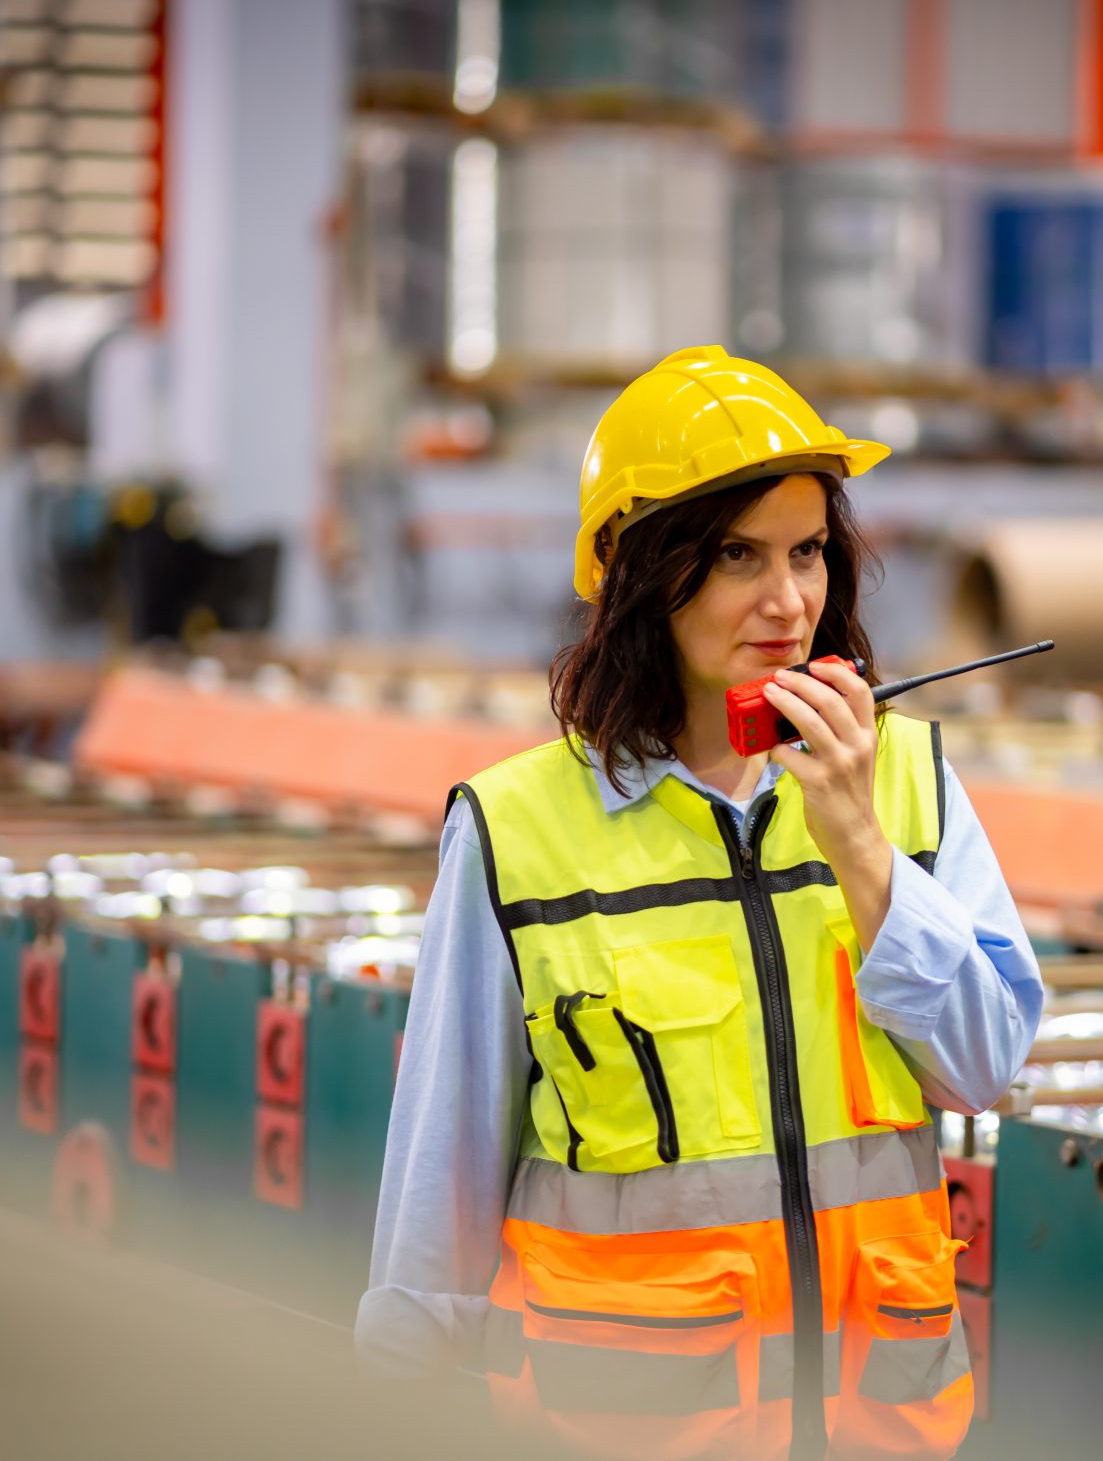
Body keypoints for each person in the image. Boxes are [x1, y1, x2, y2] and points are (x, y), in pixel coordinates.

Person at [355, 346, 1043, 1460]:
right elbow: (440, 1204)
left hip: (879, 1428)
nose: (789, 602)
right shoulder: (517, 832)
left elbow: (984, 1064)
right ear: (642, 573)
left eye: (809, 552)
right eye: (738, 556)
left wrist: (860, 844)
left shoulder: (905, 782)